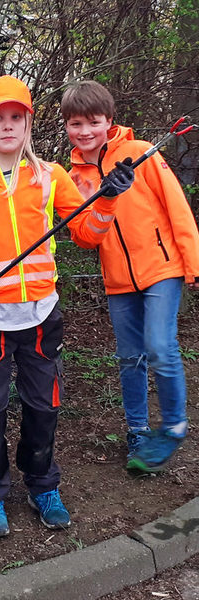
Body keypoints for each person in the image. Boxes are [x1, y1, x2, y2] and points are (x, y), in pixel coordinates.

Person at [0, 75, 134, 537]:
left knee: (43, 407)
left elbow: (87, 234)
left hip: (40, 319)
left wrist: (109, 198)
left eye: (17, 117)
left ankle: (42, 485)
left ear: (29, 123)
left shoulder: (51, 176)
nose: (8, 126)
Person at [61, 80, 199, 473]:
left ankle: (173, 425)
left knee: (159, 346)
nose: (85, 131)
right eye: (75, 124)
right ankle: (138, 430)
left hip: (162, 269)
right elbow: (85, 238)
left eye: (93, 122)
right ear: (66, 127)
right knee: (129, 357)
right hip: (119, 280)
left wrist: (194, 263)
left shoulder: (139, 154)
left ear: (109, 121)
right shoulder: (74, 178)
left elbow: (177, 206)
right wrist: (105, 196)